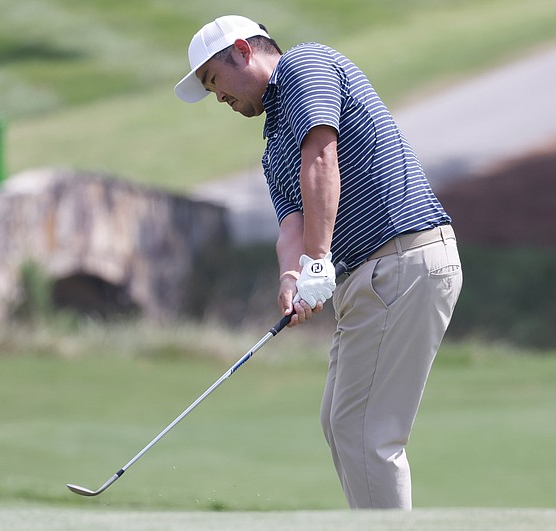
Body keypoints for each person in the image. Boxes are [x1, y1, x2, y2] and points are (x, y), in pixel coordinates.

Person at [175, 15, 462, 510]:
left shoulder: (306, 65)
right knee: (340, 422)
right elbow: (290, 222)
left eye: (215, 82)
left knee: (366, 431)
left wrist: (318, 259)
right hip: (366, 278)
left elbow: (322, 157)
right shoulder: (272, 145)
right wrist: (292, 278)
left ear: (243, 51)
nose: (218, 98)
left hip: (400, 258)